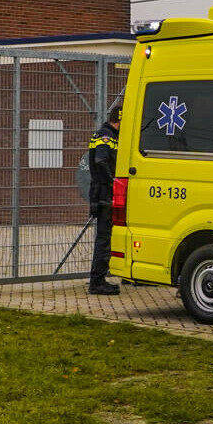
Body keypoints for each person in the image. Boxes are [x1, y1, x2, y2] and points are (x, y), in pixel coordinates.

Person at [82, 100, 122, 294]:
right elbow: (101, 160)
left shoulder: (104, 133)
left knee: (105, 236)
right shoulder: (107, 136)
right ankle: (97, 282)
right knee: (104, 238)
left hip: (102, 191)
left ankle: (99, 278)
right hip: (104, 193)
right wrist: (114, 182)